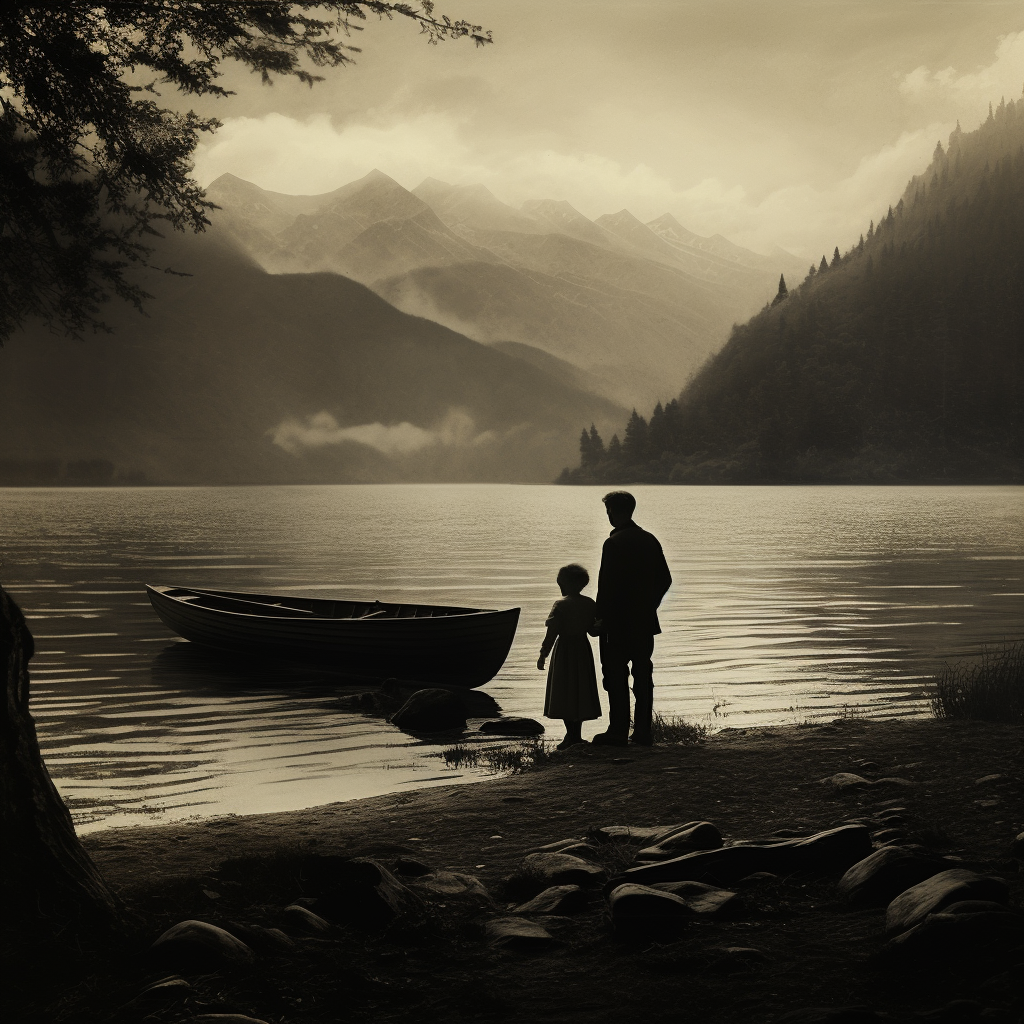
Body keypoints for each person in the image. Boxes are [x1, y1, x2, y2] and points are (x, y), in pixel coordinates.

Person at [592, 491, 672, 747]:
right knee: (643, 674)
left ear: (613, 511)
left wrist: (598, 620)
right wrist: (651, 605)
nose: (608, 516)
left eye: (608, 511)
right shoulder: (649, 539)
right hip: (644, 622)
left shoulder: (613, 543)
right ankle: (643, 732)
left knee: (615, 675)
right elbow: (665, 580)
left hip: (617, 623)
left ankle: (617, 731)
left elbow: (606, 587)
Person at [537, 563, 603, 749]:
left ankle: (570, 736)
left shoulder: (561, 605)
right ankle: (576, 735)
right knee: (580, 689)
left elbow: (552, 634)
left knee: (564, 690)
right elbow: (593, 631)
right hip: (582, 649)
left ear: (564, 583)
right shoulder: (589, 604)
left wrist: (543, 654)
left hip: (565, 650)